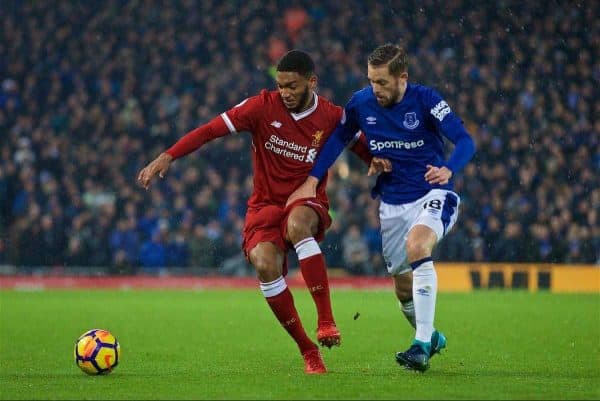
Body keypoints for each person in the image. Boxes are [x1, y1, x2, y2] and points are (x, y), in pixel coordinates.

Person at [137, 50, 382, 374]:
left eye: (292, 86)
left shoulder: (332, 116)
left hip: (305, 198)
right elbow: (210, 130)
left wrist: (377, 163)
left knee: (298, 224)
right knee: (265, 265)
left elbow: (362, 146)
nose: (285, 93)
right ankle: (308, 350)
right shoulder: (261, 106)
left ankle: (326, 320)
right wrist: (169, 155)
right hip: (264, 206)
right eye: (280, 86)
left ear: (312, 82)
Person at [287, 43, 476, 372]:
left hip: (434, 193)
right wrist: (312, 179)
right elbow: (337, 140)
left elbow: (465, 141)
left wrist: (450, 168)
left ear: (403, 77)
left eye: (383, 82)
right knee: (403, 289)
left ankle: (420, 347)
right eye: (372, 81)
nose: (376, 89)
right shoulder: (361, 103)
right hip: (392, 204)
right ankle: (430, 336)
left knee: (418, 246)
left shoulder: (426, 100)